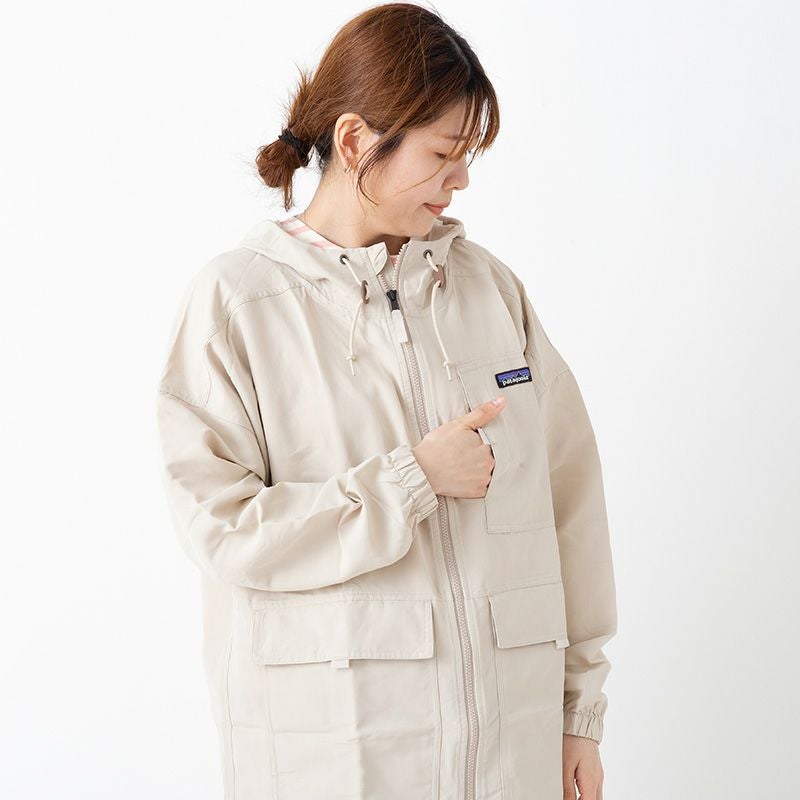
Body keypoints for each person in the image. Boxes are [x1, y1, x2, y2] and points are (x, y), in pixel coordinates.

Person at [155, 4, 617, 799]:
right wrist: (411, 480)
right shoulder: (238, 304)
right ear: (355, 141)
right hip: (336, 761)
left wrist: (580, 712)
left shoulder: (489, 292)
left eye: (467, 156)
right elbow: (222, 528)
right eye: (443, 153)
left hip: (511, 759)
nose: (461, 179)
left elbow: (571, 504)